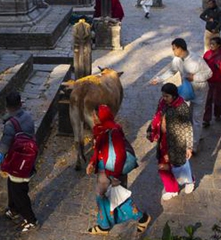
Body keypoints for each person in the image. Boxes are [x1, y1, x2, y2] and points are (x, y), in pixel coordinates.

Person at [86, 105, 150, 235]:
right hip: (104, 169)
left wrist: (114, 176)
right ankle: (104, 225)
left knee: (115, 198)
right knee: (105, 196)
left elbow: (120, 155)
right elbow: (98, 149)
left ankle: (142, 218)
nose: (93, 118)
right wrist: (92, 162)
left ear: (101, 117)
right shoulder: (100, 130)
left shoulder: (113, 131)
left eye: (94, 116)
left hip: (112, 171)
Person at [151, 38, 212, 153]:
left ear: (179, 48)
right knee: (188, 117)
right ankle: (189, 139)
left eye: (174, 49)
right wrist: (159, 79)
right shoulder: (177, 60)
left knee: (197, 119)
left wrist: (195, 78)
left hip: (200, 92)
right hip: (187, 92)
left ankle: (193, 146)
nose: (173, 51)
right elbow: (172, 71)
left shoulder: (196, 59)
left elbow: (209, 73)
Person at [0, 92, 39, 233]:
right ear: (20, 104)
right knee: (12, 186)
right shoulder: (28, 117)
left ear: (6, 107)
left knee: (19, 192)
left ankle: (31, 219)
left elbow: (5, 145)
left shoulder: (10, 125)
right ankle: (13, 210)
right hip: (28, 158)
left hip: (18, 162)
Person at [147, 83, 194, 201]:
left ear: (174, 96)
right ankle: (171, 188)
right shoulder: (162, 102)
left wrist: (188, 147)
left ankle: (190, 180)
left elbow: (188, 127)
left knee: (180, 165)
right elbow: (156, 115)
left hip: (178, 142)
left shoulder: (182, 107)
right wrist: (153, 130)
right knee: (163, 165)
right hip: (164, 140)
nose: (164, 98)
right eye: (163, 96)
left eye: (167, 96)